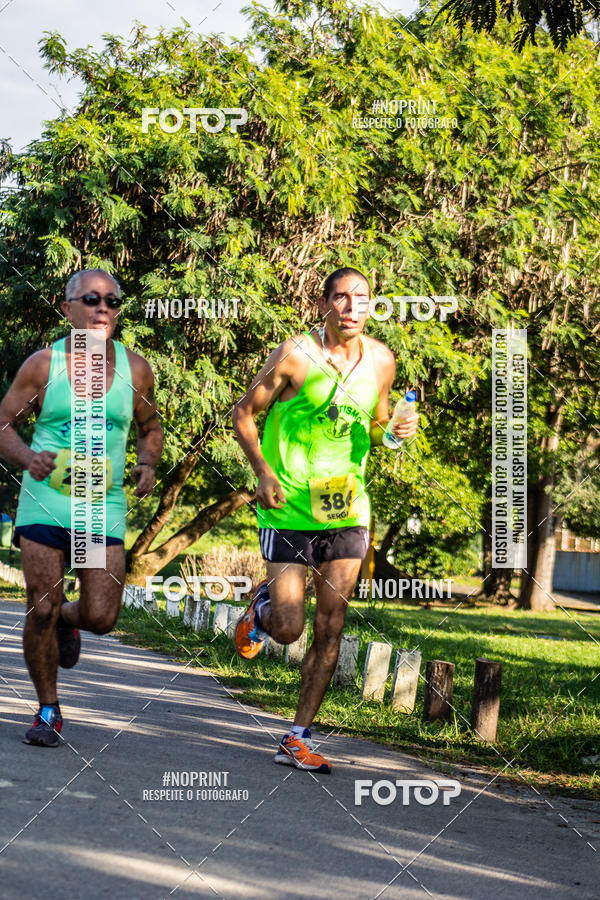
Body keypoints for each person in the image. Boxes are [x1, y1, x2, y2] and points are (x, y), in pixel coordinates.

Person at [232, 267, 419, 773]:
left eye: (362, 298)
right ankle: (264, 606)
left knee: (330, 624)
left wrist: (398, 430)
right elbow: (243, 413)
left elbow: (378, 424)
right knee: (291, 629)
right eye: (341, 297)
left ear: (372, 305)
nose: (352, 307)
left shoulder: (381, 360)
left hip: (347, 506)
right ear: (324, 305)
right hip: (288, 502)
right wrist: (262, 470)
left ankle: (297, 736)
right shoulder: (296, 354)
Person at [0, 269, 163, 746]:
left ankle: (68, 625)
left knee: (99, 616)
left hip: (100, 507)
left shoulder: (134, 370)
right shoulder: (42, 365)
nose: (102, 309)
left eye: (112, 301)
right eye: (91, 299)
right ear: (67, 306)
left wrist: (148, 462)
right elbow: (3, 422)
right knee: (42, 604)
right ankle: (48, 710)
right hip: (46, 500)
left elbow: (149, 426)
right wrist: (28, 456)